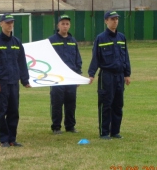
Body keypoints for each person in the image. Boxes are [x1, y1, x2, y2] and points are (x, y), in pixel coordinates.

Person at [0, 13, 30, 148]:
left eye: (11, 22)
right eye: (7, 22)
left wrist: (25, 80)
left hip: (14, 82)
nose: (10, 25)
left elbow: (22, 62)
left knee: (14, 111)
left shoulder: (17, 42)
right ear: (1, 24)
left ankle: (12, 139)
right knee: (2, 111)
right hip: (2, 83)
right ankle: (3, 139)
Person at [88, 11, 131, 139]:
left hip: (119, 76)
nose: (115, 21)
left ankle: (115, 131)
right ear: (106, 21)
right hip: (106, 76)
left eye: (117, 19)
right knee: (106, 104)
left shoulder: (122, 38)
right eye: (112, 19)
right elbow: (95, 57)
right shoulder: (100, 38)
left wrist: (127, 74)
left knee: (118, 104)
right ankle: (104, 132)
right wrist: (91, 74)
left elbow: (126, 57)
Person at [48, 14, 82, 134]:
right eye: (62, 24)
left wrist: (78, 75)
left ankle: (70, 126)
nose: (65, 26)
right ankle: (56, 127)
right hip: (57, 78)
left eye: (67, 24)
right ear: (58, 25)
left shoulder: (73, 41)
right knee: (57, 102)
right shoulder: (51, 41)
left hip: (71, 77)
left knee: (71, 102)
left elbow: (78, 59)